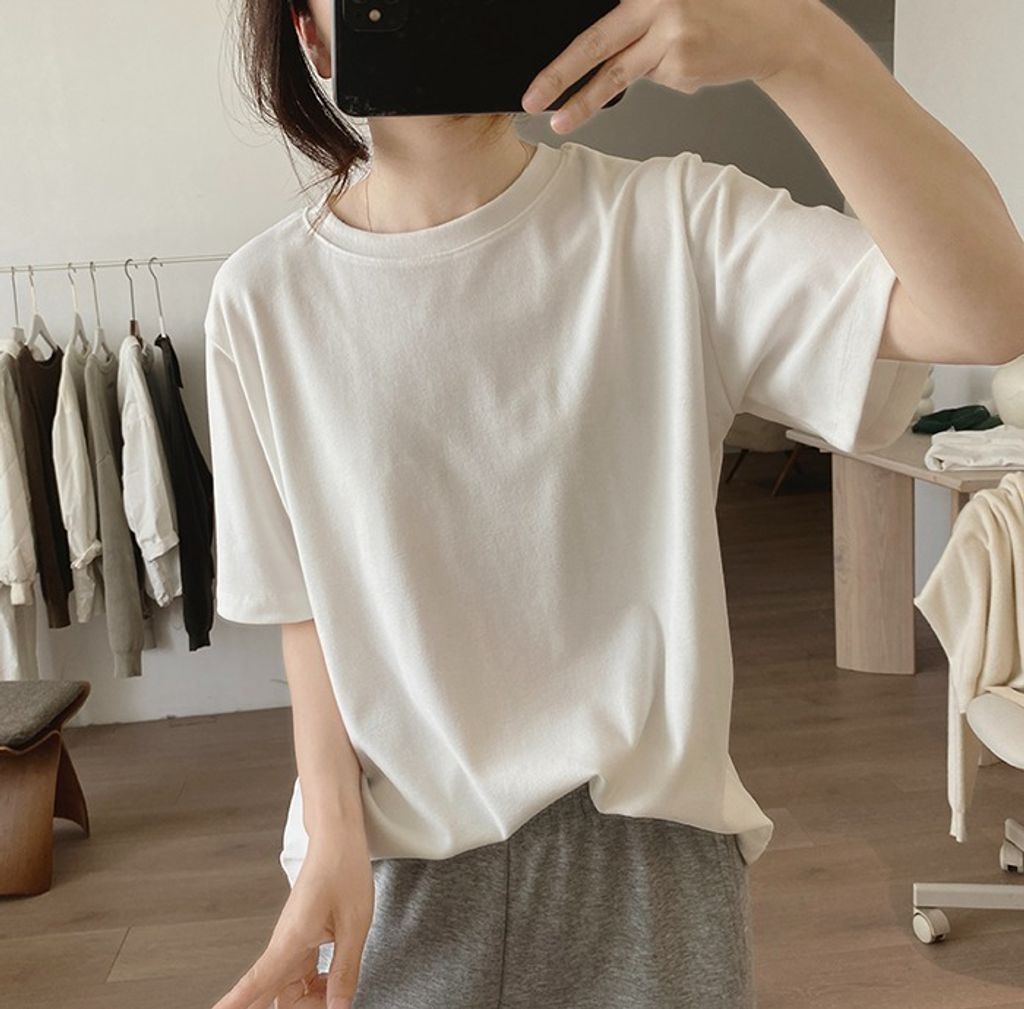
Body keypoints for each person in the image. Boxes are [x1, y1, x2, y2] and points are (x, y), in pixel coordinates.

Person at [206, 1, 1024, 1007]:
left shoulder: (673, 228)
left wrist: (797, 42)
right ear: (307, 30)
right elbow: (303, 599)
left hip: (649, 869)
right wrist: (333, 829)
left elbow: (990, 310)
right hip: (384, 870)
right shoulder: (262, 300)